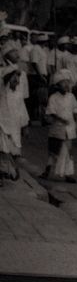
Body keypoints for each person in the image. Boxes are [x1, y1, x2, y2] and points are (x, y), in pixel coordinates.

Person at [42, 69, 77, 181]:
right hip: (57, 128)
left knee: (69, 152)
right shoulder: (53, 97)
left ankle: (68, 174)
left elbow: (76, 108)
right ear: (58, 85)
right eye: (63, 83)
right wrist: (61, 119)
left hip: (69, 129)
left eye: (68, 82)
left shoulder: (71, 97)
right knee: (54, 151)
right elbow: (51, 112)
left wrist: (75, 115)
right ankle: (47, 171)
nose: (66, 85)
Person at [0, 48, 30, 182]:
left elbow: (22, 106)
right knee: (2, 148)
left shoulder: (18, 92)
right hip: (1, 122)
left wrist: (25, 125)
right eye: (15, 77)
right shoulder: (2, 87)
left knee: (11, 149)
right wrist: (11, 72)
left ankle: (8, 170)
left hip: (14, 123)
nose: (17, 80)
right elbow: (4, 78)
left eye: (18, 77)